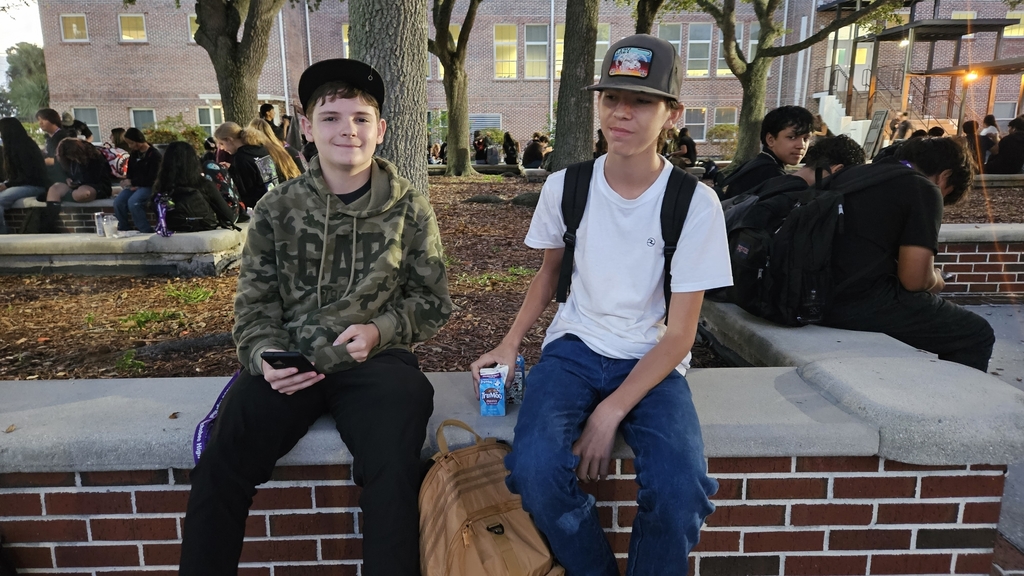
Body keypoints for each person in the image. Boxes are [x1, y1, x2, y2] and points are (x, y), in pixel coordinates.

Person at [178, 58, 452, 576]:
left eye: (360, 118)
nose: (346, 130)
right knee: (222, 461)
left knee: (394, 469)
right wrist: (263, 357)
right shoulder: (276, 209)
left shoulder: (409, 208)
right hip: (293, 363)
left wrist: (380, 330)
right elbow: (254, 309)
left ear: (381, 129)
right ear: (306, 126)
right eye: (330, 117)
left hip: (375, 362)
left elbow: (432, 300)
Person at [471, 34, 728, 575]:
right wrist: (509, 343)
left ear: (671, 113)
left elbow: (680, 334)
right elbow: (548, 276)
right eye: (611, 98)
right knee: (535, 470)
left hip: (653, 360)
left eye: (640, 101)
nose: (621, 113)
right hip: (574, 348)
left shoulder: (694, 202)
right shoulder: (566, 186)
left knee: (682, 487)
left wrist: (611, 411)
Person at [823, 137, 994, 371]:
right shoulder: (924, 188)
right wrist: (936, 279)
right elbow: (914, 281)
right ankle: (950, 406)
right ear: (945, 176)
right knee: (976, 333)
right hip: (854, 302)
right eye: (946, 194)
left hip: (814, 292)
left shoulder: (857, 174)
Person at [720, 105, 813, 199]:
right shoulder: (771, 175)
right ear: (770, 140)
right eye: (792, 137)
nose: (801, 145)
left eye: (806, 138)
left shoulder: (757, 164)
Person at [151, 141, 237, 232]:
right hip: (204, 229)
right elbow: (228, 216)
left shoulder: (162, 187)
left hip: (172, 230)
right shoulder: (204, 185)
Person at [40, 138, 112, 233]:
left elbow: (97, 177)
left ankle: (69, 196)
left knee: (81, 194)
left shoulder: (94, 156)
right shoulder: (62, 157)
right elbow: (58, 174)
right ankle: (49, 224)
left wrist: (78, 183)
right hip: (73, 186)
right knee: (54, 190)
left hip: (95, 185)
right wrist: (67, 180)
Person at [0, 117, 52, 234]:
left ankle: (3, 235)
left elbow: (29, 176)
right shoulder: (12, 147)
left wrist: (7, 185)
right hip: (22, 185)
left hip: (34, 186)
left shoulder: (25, 147)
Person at [213, 121, 279, 210]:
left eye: (221, 143)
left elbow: (243, 189)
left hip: (258, 207)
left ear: (229, 140)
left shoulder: (241, 157)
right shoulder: (260, 148)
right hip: (274, 198)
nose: (221, 148)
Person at [113, 127, 162, 234]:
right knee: (118, 202)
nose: (129, 146)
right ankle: (123, 227)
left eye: (131, 143)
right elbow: (130, 172)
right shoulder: (134, 155)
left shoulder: (154, 155)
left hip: (149, 186)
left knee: (134, 202)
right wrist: (127, 181)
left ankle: (145, 230)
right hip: (135, 185)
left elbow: (153, 178)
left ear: (138, 141)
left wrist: (134, 183)